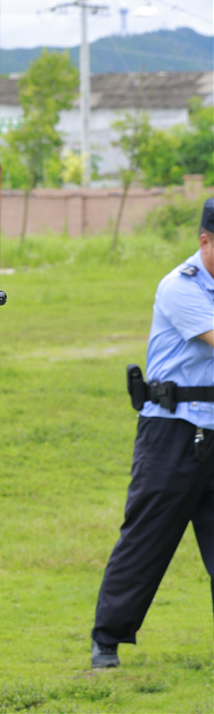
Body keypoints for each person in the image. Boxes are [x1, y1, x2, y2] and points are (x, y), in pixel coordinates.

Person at [90, 198, 214, 669]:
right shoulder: (179, 287)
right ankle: (108, 639)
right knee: (148, 537)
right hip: (172, 430)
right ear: (205, 241)